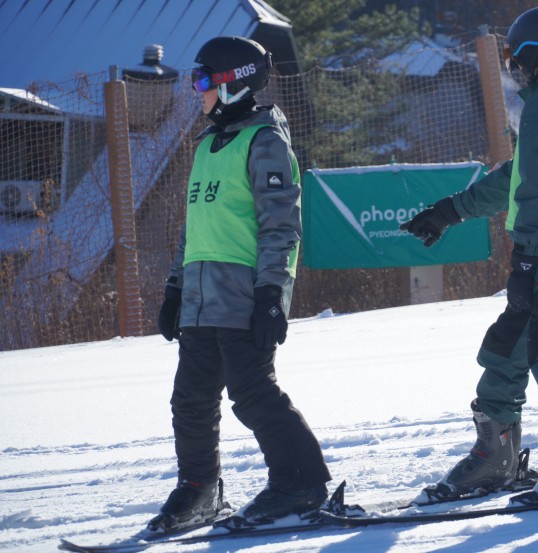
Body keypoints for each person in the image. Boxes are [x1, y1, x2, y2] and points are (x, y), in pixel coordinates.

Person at [400, 6, 538, 501]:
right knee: (509, 346)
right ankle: (496, 455)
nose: (515, 69)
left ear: (531, 53)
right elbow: (519, 173)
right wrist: (449, 211)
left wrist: (526, 257)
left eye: (515, 59)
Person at [149, 36, 331, 532]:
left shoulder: (265, 142)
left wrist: (272, 294)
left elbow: (281, 225)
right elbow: (194, 228)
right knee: (190, 400)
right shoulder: (207, 145)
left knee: (252, 394)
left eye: (203, 81)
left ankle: (301, 483)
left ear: (233, 84)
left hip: (244, 296)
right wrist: (174, 288)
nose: (197, 91)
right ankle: (199, 489)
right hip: (199, 301)